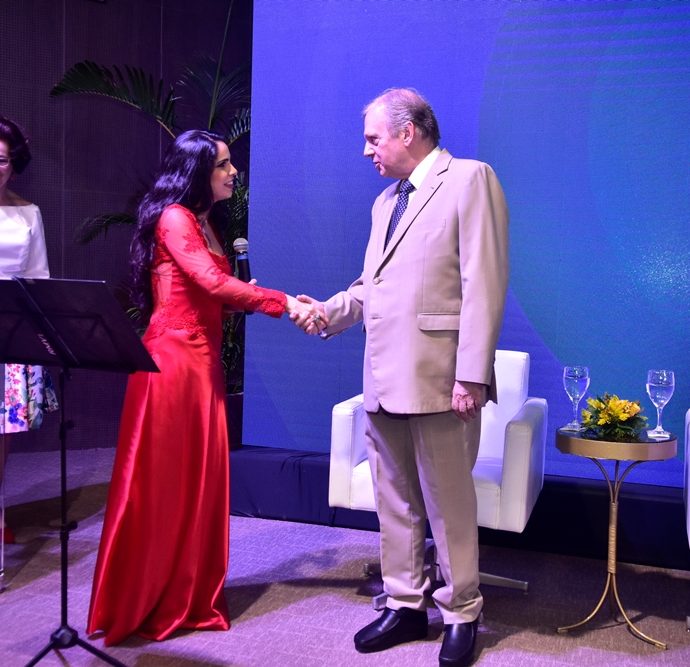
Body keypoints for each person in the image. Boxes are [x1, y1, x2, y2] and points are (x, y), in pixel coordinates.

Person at [292, 88, 508, 667]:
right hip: (383, 376)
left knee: (448, 505)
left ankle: (462, 611)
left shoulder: (470, 179)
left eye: (373, 138)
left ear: (407, 131)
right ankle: (406, 603)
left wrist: (471, 375)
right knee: (395, 501)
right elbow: (372, 286)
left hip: (442, 380)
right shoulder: (386, 201)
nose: (367, 151)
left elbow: (484, 283)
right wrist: (329, 312)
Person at [87, 130, 315, 645]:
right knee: (167, 483)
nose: (234, 172)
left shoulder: (202, 221)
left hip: (200, 363)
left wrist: (260, 300)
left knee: (195, 482)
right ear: (197, 172)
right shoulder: (174, 217)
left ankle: (184, 594)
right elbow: (210, 284)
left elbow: (214, 295)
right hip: (172, 366)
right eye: (223, 165)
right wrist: (283, 302)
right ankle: (152, 597)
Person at [0, 115, 58, 545]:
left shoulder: (28, 214)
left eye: (2, 160)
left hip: (9, 327)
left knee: (1, 428)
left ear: (14, 164)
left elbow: (38, 278)